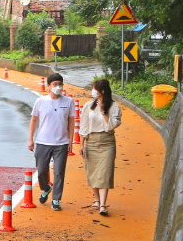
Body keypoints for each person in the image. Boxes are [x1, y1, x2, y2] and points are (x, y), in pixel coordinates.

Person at [27, 73, 75, 211]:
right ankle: (46, 188)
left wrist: (70, 140)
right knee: (42, 170)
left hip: (61, 143)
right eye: (54, 84)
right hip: (43, 142)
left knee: (59, 172)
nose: (58, 87)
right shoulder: (41, 101)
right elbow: (34, 120)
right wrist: (30, 139)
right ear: (49, 86)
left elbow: (71, 121)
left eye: (60, 84)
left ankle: (56, 199)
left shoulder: (68, 102)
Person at [79, 79, 122, 216]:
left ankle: (103, 204)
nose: (92, 91)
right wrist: (81, 144)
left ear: (102, 91)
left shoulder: (114, 107)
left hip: (107, 142)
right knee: (92, 171)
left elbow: (112, 126)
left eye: (94, 89)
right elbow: (84, 125)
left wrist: (103, 111)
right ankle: (96, 199)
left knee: (105, 172)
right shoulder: (88, 106)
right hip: (91, 141)